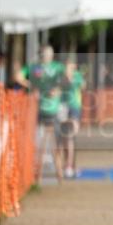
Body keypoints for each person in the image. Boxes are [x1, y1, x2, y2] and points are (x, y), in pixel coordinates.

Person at [21, 46, 65, 180]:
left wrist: (58, 89)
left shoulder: (55, 67)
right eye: (46, 54)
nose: (48, 56)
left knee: (52, 143)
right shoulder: (36, 67)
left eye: (50, 54)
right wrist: (32, 86)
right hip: (42, 110)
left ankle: (56, 172)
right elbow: (18, 76)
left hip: (52, 109)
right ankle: (45, 173)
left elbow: (66, 79)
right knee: (43, 143)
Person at [58, 60, 85, 178]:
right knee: (65, 138)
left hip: (75, 107)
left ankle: (70, 166)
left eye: (72, 66)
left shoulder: (77, 76)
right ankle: (66, 165)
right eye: (68, 66)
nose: (70, 68)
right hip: (63, 107)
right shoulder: (60, 77)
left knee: (71, 136)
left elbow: (83, 85)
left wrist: (73, 79)